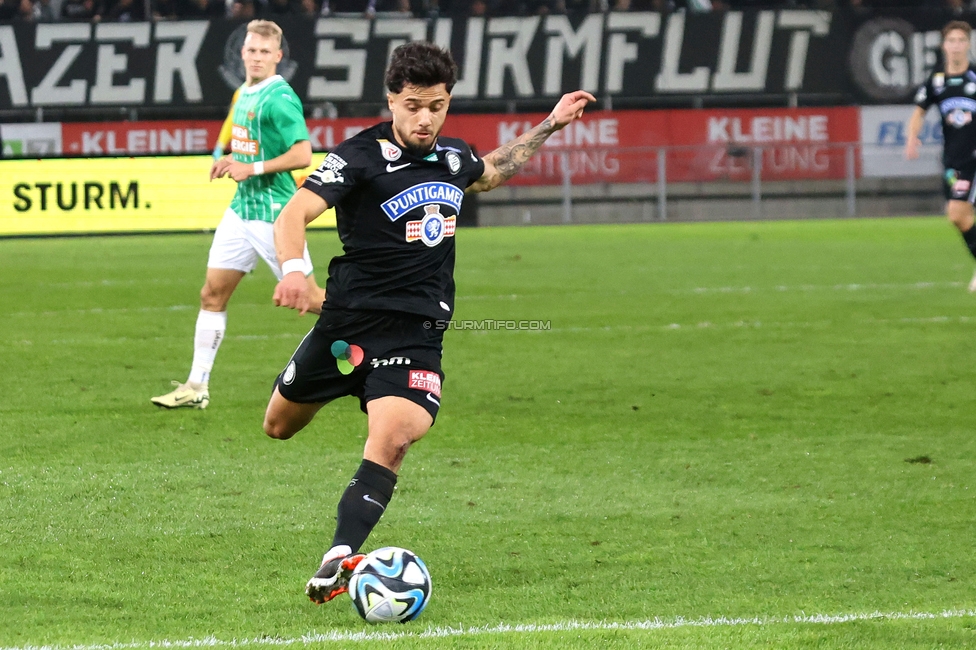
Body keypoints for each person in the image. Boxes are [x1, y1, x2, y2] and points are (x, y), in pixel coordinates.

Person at [261, 40, 594, 604]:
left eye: (436, 106)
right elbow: (296, 211)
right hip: (346, 328)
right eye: (413, 105)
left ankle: (340, 555)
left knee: (392, 440)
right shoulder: (359, 157)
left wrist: (551, 125)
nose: (424, 118)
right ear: (391, 100)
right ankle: (345, 387)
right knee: (278, 426)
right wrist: (295, 271)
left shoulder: (453, 157)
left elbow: (489, 173)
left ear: (448, 102)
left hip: (416, 333)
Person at [151, 19, 324, 410]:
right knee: (212, 294)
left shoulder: (279, 97)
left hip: (274, 216)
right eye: (252, 50)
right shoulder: (245, 91)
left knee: (312, 299)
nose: (258, 57)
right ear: (242, 53)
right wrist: (234, 158)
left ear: (278, 56)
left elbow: (302, 155)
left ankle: (381, 332)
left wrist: (253, 168)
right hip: (241, 211)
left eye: (266, 51)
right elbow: (256, 148)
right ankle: (196, 386)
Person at [906, 20, 976, 292]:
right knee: (958, 217)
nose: (956, 45)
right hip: (954, 163)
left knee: (958, 213)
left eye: (961, 40)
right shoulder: (936, 82)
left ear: (968, 45)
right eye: (952, 41)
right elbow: (919, 111)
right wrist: (913, 136)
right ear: (943, 46)